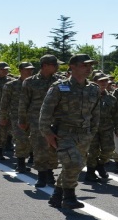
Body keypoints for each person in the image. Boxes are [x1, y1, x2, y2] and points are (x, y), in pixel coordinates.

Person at [38, 54, 101, 209]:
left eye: (90, 66)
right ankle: (69, 197)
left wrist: (92, 133)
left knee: (72, 166)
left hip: (84, 134)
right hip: (64, 133)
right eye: (84, 65)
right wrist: (47, 133)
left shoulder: (93, 89)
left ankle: (56, 196)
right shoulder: (59, 87)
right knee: (74, 163)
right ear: (72, 67)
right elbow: (45, 112)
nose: (89, 68)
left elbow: (96, 114)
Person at [19, 55, 62, 187]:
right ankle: (41, 176)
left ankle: (50, 172)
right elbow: (23, 102)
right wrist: (22, 120)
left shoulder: (60, 82)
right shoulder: (30, 82)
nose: (57, 67)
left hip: (56, 120)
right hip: (36, 120)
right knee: (39, 148)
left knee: (54, 148)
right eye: (54, 65)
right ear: (44, 65)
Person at [84, 73, 117, 182]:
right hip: (91, 128)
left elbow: (117, 114)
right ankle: (90, 172)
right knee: (92, 152)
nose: (103, 83)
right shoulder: (87, 96)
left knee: (109, 149)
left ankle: (100, 164)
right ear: (94, 82)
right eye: (100, 81)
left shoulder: (111, 98)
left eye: (105, 81)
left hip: (106, 128)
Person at [1, 62, 33, 172]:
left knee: (33, 140)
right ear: (20, 70)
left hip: (33, 116)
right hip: (16, 116)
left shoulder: (35, 84)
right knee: (20, 139)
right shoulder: (11, 85)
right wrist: (3, 117)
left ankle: (32, 160)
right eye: (27, 69)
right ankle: (20, 163)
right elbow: (4, 103)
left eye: (31, 69)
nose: (29, 71)